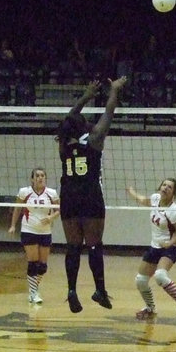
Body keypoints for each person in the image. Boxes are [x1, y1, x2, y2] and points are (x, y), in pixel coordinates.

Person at [56, 75, 127, 313]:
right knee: (94, 245)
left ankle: (71, 290)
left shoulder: (63, 144)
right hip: (89, 195)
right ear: (84, 127)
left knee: (73, 246)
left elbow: (68, 119)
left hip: (68, 196)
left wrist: (85, 97)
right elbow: (108, 114)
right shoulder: (94, 140)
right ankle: (99, 289)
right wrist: (114, 91)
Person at [127, 178, 176, 324]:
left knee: (160, 276)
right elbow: (144, 200)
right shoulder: (155, 199)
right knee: (141, 280)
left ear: (173, 193)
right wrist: (131, 192)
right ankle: (150, 309)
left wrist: (169, 243)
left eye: (169, 187)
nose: (165, 188)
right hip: (155, 247)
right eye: (164, 185)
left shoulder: (174, 212)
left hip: (171, 248)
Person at [8, 167, 59, 304]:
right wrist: (13, 225)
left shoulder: (51, 193)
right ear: (32, 179)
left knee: (43, 266)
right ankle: (33, 293)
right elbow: (17, 209)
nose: (40, 178)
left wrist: (51, 218)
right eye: (37, 176)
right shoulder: (24, 192)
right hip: (28, 230)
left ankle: (33, 290)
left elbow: (59, 209)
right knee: (33, 263)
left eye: (43, 175)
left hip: (45, 231)